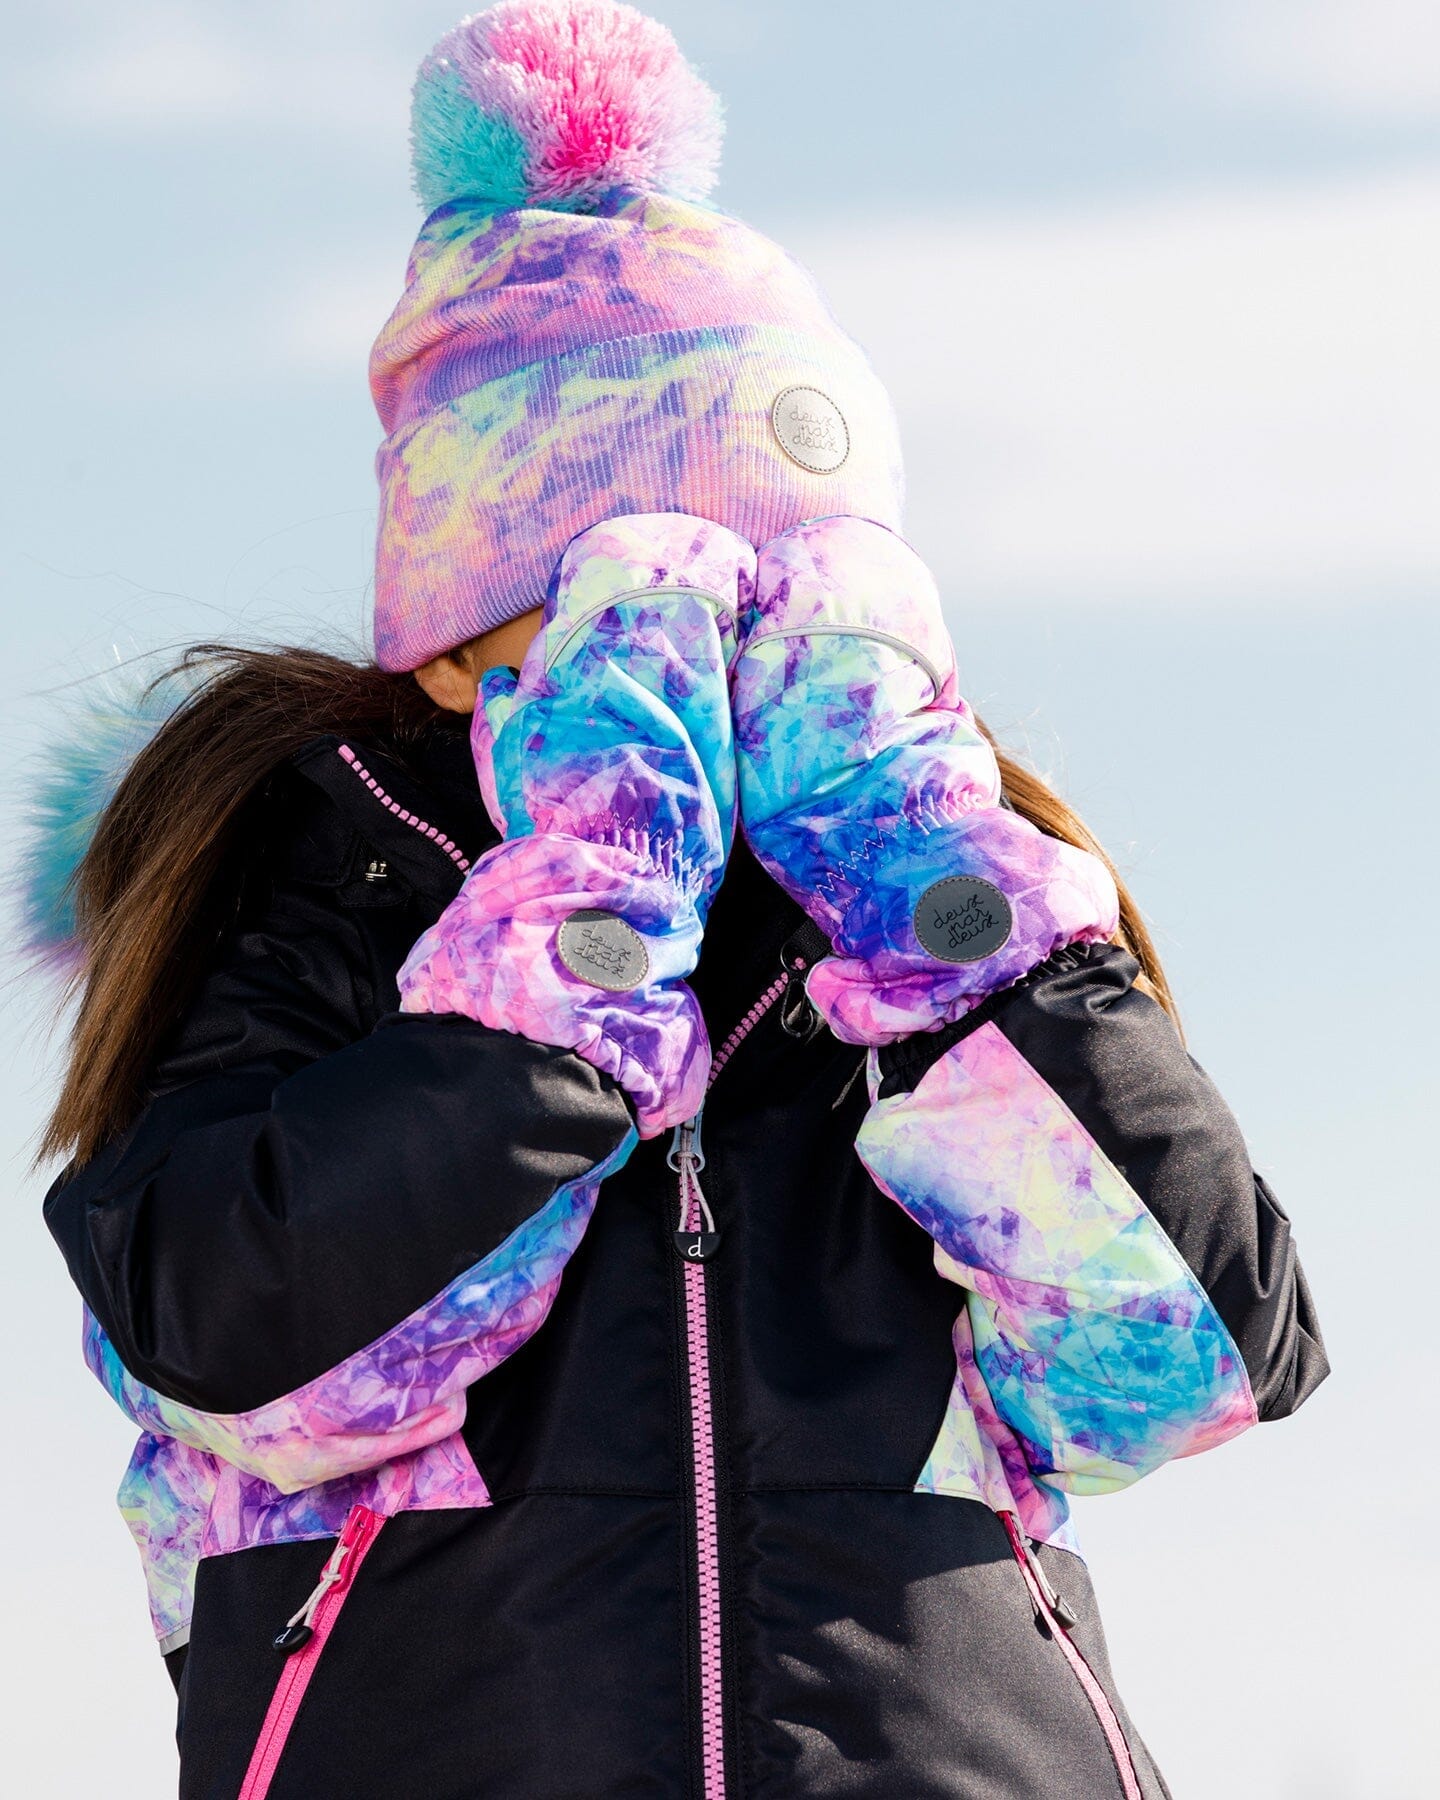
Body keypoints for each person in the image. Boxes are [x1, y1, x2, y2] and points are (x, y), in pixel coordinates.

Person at [30, 4, 1327, 1796]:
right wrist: (591, 924)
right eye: (634, 585)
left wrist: (926, 888)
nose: (713, 632)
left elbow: (1177, 1367)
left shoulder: (932, 915)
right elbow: (248, 1359)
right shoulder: (308, 886)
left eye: (782, 579)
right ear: (463, 635)